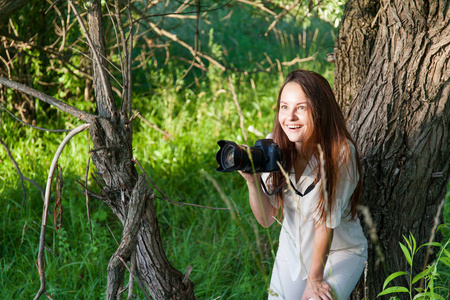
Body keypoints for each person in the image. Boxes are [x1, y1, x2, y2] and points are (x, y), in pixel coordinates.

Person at [239, 70, 368, 300]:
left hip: (339, 253)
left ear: (319, 110)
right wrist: (252, 181)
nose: (290, 117)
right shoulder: (274, 147)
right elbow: (267, 219)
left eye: (301, 107)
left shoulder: (340, 152)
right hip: (292, 254)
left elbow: (325, 223)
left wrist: (314, 280)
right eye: (284, 107)